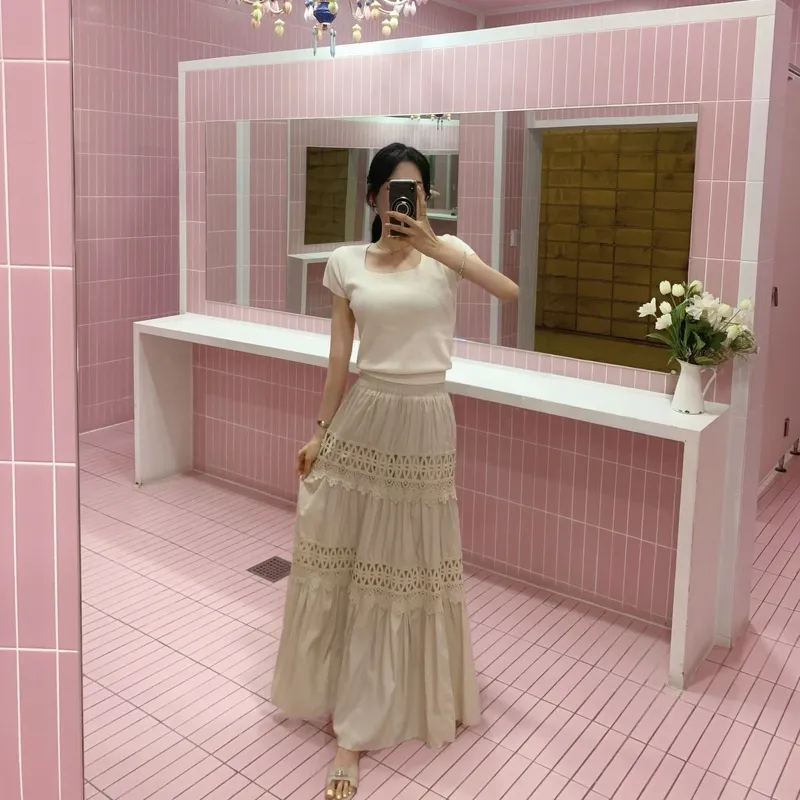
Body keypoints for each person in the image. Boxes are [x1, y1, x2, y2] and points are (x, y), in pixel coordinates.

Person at [271, 142, 519, 799]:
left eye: (417, 192)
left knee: (411, 563)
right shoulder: (346, 262)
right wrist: (320, 432)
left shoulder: (448, 253)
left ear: (428, 199)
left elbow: (509, 291)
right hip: (366, 415)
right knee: (351, 561)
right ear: (374, 198)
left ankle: (406, 697)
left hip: (426, 419)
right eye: (393, 192)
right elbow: (339, 360)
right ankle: (350, 726)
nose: (405, 203)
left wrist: (437, 246)